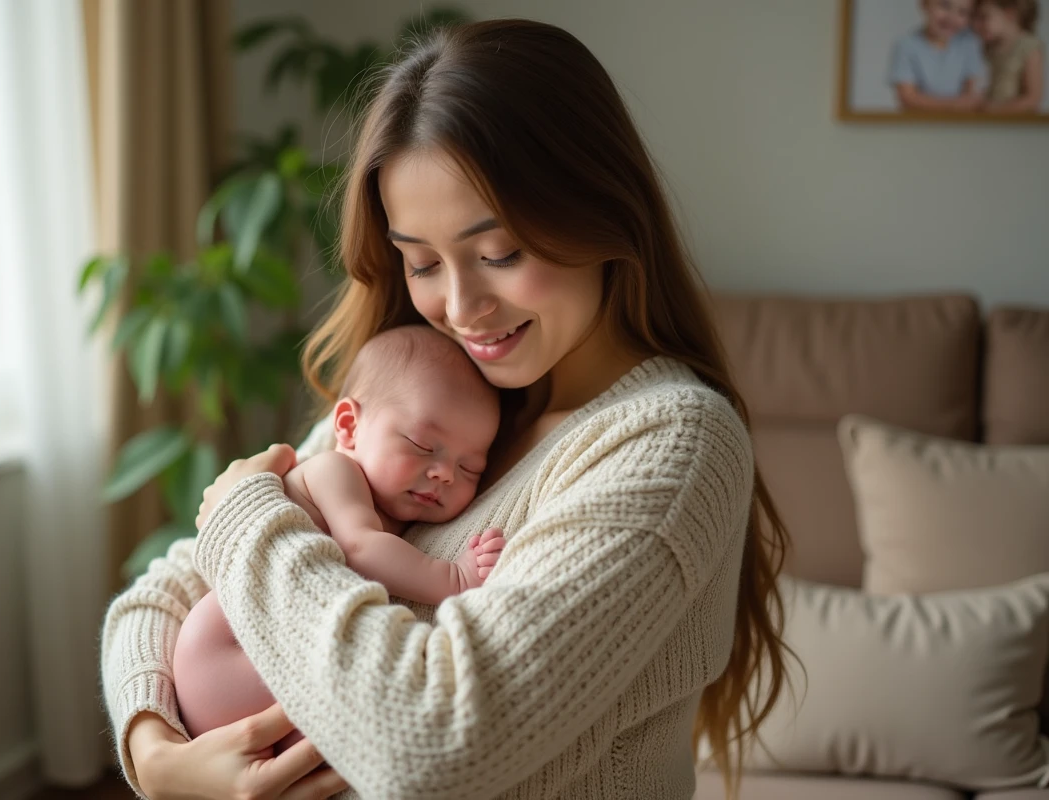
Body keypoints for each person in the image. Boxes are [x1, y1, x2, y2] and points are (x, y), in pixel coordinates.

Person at [100, 18, 792, 800]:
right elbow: (167, 592)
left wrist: (242, 515)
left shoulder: (669, 442)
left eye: (500, 254)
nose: (461, 308)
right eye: (422, 263)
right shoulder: (432, 392)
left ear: (600, 211)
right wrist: (154, 752)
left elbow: (433, 744)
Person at [172, 325, 507, 742]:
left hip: (249, 647)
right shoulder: (335, 470)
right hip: (227, 646)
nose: (444, 473)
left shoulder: (395, 502)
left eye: (469, 467)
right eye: (423, 445)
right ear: (348, 426)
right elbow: (360, 547)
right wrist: (454, 578)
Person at [891, 0, 989, 112]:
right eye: (945, 5)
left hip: (960, 125)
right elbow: (907, 99)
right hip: (919, 125)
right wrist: (957, 105)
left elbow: (972, 96)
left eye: (962, 12)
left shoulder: (970, 43)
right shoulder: (906, 46)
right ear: (924, 4)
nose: (951, 17)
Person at [976, 0, 1045, 110]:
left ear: (1009, 14)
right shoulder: (986, 48)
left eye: (984, 17)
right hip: (986, 122)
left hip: (1015, 123)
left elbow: (1033, 98)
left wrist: (997, 110)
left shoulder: (1029, 46)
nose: (977, 24)